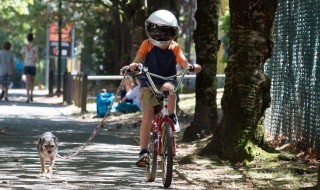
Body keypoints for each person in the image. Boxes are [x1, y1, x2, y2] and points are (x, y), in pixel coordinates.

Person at [123, 9, 202, 167]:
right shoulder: (147, 44)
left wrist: (191, 67)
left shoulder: (175, 47)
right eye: (158, 31)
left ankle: (171, 117)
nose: (161, 36)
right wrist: (134, 65)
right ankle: (144, 152)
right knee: (148, 114)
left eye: (166, 32)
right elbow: (138, 59)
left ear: (173, 33)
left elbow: (184, 62)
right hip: (148, 83)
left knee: (169, 89)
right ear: (151, 30)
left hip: (166, 80)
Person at [21, 33, 39, 103]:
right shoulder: (35, 47)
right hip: (32, 65)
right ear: (33, 39)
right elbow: (37, 56)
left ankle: (28, 96)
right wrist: (38, 64)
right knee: (32, 80)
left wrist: (24, 63)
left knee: (27, 80)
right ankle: (31, 94)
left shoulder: (24, 47)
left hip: (26, 65)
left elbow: (23, 56)